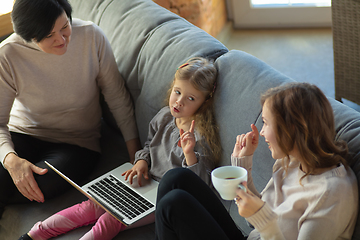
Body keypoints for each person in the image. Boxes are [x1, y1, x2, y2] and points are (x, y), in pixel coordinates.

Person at [18, 57, 222, 240]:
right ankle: (36, 233)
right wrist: (141, 161)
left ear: (204, 103)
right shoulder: (164, 116)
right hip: (141, 181)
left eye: (191, 98)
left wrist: (188, 153)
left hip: (159, 197)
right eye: (177, 92)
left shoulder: (199, 137)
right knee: (90, 206)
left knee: (111, 220)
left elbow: (201, 186)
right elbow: (150, 145)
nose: (179, 101)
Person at [154, 82, 359, 240]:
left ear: (292, 130)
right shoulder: (292, 161)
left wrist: (262, 217)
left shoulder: (332, 193)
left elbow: (265, 221)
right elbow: (260, 219)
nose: (261, 132)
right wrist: (243, 165)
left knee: (174, 204)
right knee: (177, 177)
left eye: (267, 123)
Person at [0, 0, 141, 219]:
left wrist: (136, 155)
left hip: (77, 143)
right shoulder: (8, 54)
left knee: (37, 185)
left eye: (65, 26)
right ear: (28, 37)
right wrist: (11, 160)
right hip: (23, 133)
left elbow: (117, 97)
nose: (62, 39)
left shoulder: (92, 37)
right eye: (49, 35)